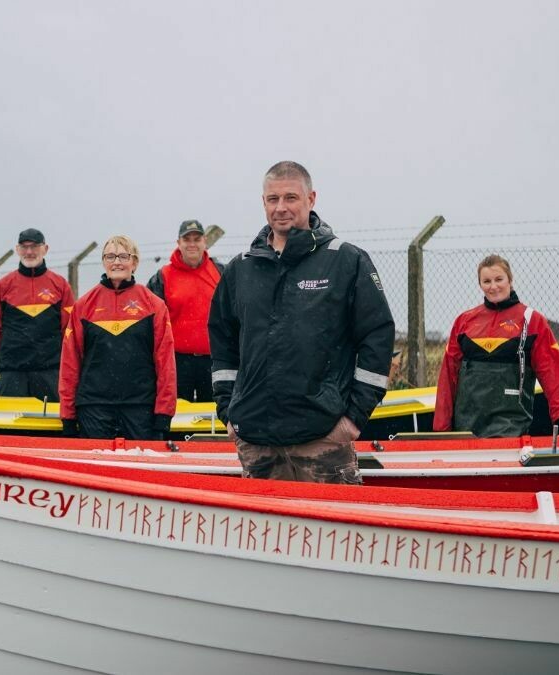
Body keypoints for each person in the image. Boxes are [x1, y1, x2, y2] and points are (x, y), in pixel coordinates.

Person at [209, 161, 395, 484]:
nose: (281, 208)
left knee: (337, 534)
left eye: (291, 198)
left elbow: (377, 337)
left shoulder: (346, 261)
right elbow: (223, 343)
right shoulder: (240, 270)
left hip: (323, 443)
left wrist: (353, 419)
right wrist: (229, 412)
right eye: (272, 199)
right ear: (263, 203)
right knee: (263, 536)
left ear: (311, 198)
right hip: (256, 444)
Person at [433, 255, 559, 439]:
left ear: (510, 280)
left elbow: (553, 373)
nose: (493, 286)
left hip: (512, 432)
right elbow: (448, 377)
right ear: (480, 284)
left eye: (499, 279)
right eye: (486, 281)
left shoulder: (532, 321)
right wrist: (441, 430)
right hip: (466, 431)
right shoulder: (464, 322)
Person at [59, 235, 177, 439]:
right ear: (103, 261)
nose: (117, 262)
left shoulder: (154, 305)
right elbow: (70, 363)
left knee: (140, 471)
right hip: (93, 407)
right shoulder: (83, 306)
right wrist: (67, 414)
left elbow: (166, 362)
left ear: (135, 262)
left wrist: (164, 414)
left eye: (123, 256)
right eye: (110, 256)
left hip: (140, 408)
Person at [0, 228, 75, 399]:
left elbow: (68, 327)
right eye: (24, 247)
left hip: (49, 370)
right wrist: (11, 350)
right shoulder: (2, 286)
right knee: (9, 422)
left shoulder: (60, 285)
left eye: (35, 246)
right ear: (17, 250)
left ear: (45, 249)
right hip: (13, 370)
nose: (29, 252)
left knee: (49, 421)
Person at [147, 219, 225, 402]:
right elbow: (151, 323)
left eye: (197, 239)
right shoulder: (162, 277)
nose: (192, 244)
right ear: (178, 243)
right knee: (178, 417)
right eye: (187, 239)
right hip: (177, 362)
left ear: (205, 242)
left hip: (214, 361)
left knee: (214, 417)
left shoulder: (221, 272)